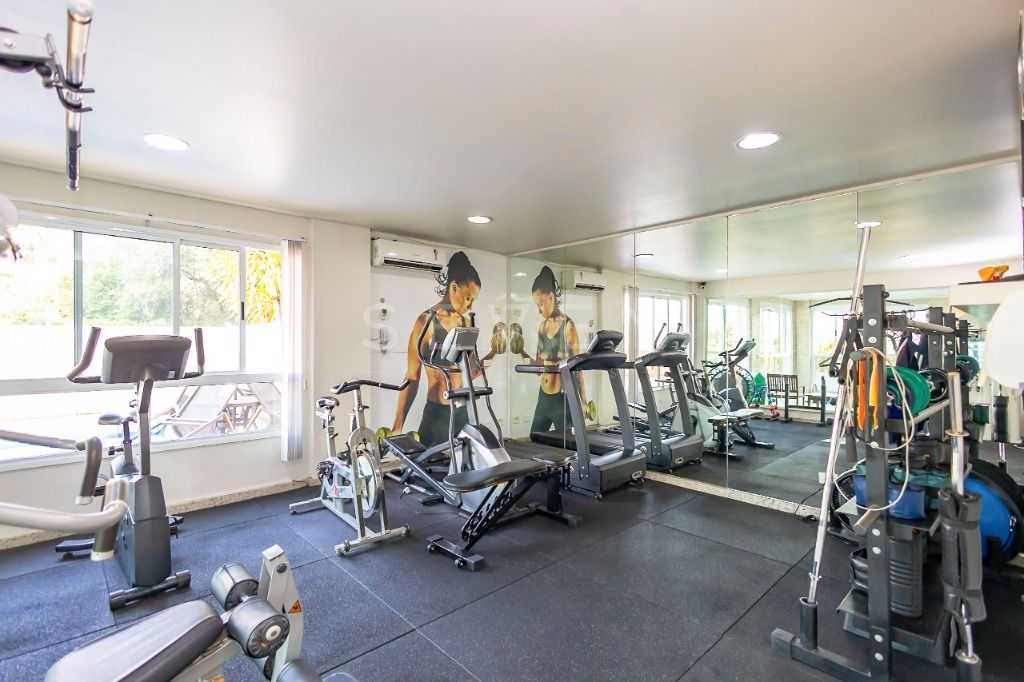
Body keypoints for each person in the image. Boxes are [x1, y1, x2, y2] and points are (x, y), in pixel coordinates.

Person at [391, 251, 483, 447]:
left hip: (463, 413)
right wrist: (397, 427)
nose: (470, 305)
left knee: (469, 465)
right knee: (429, 466)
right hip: (436, 415)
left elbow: (471, 371)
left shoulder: (466, 323)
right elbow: (412, 377)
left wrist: (487, 360)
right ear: (454, 287)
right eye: (468, 298)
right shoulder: (426, 321)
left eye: (473, 300)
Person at [523, 266, 590, 433]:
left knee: (568, 443)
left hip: (562, 399)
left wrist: (583, 401)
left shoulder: (568, 326)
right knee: (535, 437)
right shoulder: (542, 327)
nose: (539, 310)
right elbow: (539, 367)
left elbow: (578, 369)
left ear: (551, 297)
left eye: (540, 304)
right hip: (543, 397)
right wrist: (520, 352)